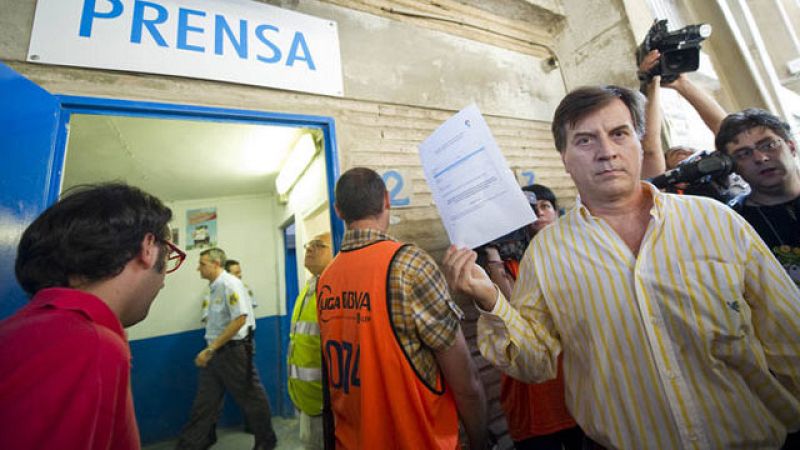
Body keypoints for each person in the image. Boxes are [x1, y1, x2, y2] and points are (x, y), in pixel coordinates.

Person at [444, 85, 800, 449]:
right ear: (565, 159)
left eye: (619, 133)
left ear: (639, 142)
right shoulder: (548, 253)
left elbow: (789, 335)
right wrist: (490, 299)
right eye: (585, 140)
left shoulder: (716, 222)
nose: (606, 152)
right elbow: (534, 363)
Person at [0, 183, 181, 450]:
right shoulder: (89, 344)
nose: (164, 282)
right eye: (169, 257)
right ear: (148, 247)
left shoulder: (24, 329)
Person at [318, 167, 487, 449]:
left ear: (338, 211)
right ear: (387, 199)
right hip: (418, 439)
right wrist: (481, 441)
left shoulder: (326, 278)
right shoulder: (408, 264)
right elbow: (466, 383)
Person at [478, 185, 583, 450]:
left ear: (558, 213)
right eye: (529, 211)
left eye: (544, 207)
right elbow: (513, 312)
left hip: (577, 393)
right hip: (530, 395)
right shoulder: (508, 262)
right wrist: (492, 251)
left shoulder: (579, 254)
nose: (538, 214)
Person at [176, 248, 277, 450]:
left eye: (202, 264)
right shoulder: (215, 287)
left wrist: (211, 348)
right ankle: (195, 442)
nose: (198, 268)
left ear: (215, 264)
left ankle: (266, 441)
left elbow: (240, 319)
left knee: (251, 396)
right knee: (206, 401)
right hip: (216, 352)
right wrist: (211, 349)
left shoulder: (229, 284)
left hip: (232, 351)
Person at [287, 232, 333, 450]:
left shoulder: (335, 291)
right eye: (309, 245)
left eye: (319, 245)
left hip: (327, 404)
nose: (309, 249)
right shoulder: (308, 289)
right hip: (306, 399)